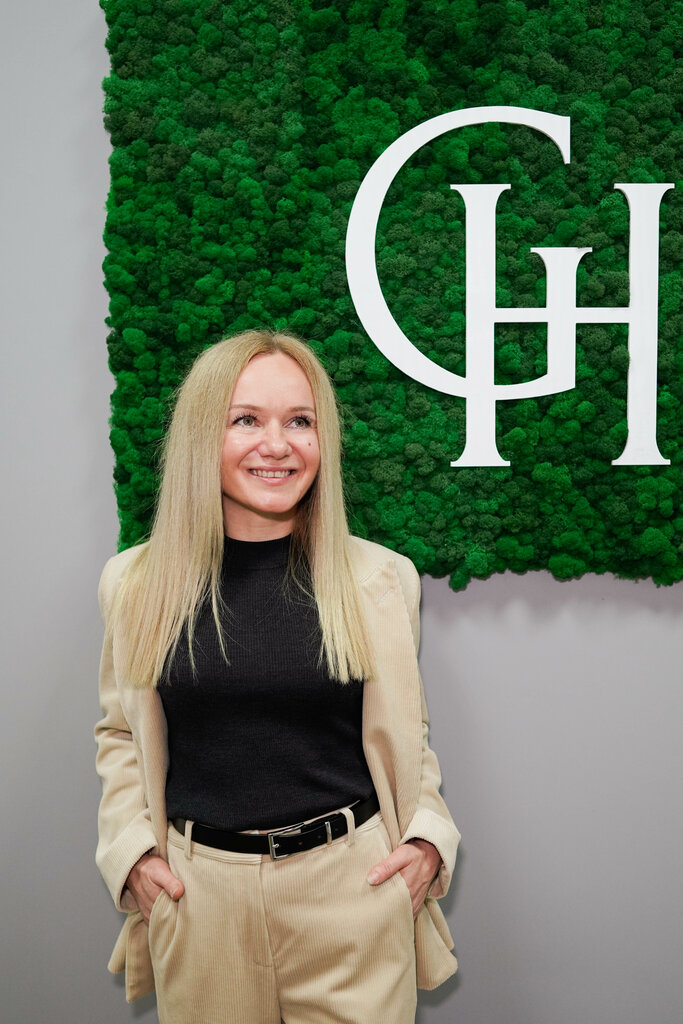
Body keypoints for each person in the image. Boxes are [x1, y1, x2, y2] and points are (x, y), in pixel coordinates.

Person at [96, 329, 460, 1024]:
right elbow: (119, 735)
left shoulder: (381, 579)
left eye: (299, 421)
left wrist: (426, 840)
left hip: (352, 896)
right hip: (199, 906)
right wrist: (132, 854)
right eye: (245, 420)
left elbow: (406, 738)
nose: (277, 445)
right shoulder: (135, 584)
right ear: (203, 436)